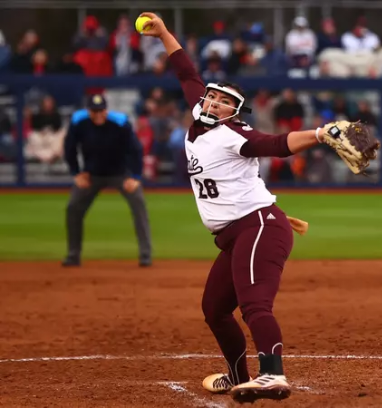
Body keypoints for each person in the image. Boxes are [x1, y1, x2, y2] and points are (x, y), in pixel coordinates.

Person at [137, 12, 360, 403]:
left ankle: (272, 375)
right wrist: (165, 34)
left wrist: (321, 134)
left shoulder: (231, 133)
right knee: (214, 309)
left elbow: (274, 144)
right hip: (237, 233)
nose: (214, 102)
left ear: (234, 112)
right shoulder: (198, 115)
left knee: (255, 303)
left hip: (257, 227)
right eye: (213, 96)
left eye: (225, 102)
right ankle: (238, 375)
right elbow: (187, 74)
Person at [62, 94, 151, 267]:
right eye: (94, 111)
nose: (98, 115)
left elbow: (136, 150)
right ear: (88, 111)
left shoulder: (120, 122)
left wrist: (135, 177)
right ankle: (73, 255)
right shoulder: (79, 122)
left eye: (101, 110)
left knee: (139, 204)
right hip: (92, 174)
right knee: (73, 207)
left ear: (106, 110)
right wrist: (76, 173)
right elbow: (69, 148)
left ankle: (145, 255)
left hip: (120, 173)